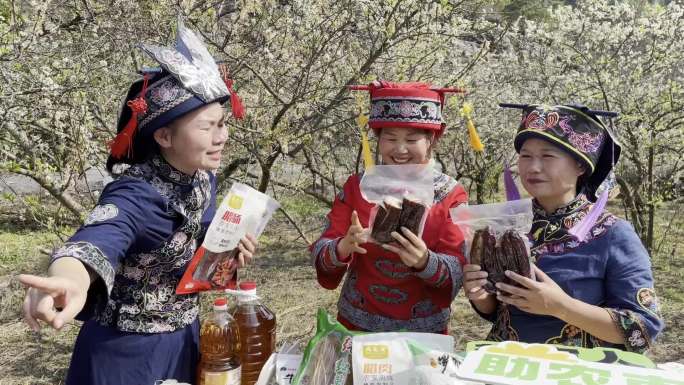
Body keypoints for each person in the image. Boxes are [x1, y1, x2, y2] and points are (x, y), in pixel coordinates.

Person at [18, 21, 256, 384]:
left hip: (185, 341)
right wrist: (70, 280)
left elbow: (191, 241)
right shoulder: (135, 192)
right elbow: (99, 237)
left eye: (222, 124)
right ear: (163, 135)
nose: (220, 137)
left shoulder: (203, 178)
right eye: (207, 127)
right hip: (126, 355)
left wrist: (224, 248)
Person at [463, 103, 664, 352]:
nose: (533, 167)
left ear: (581, 166)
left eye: (547, 156)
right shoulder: (505, 226)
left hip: (577, 372)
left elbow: (642, 330)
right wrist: (481, 296)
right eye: (525, 156)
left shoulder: (613, 235)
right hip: (507, 365)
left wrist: (559, 306)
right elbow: (500, 312)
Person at [311, 80, 468, 334]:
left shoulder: (450, 194)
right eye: (390, 138)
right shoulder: (357, 186)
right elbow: (321, 251)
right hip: (357, 324)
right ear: (378, 139)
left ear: (431, 140)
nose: (400, 149)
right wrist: (343, 246)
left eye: (412, 139)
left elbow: (459, 268)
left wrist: (424, 261)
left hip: (422, 332)